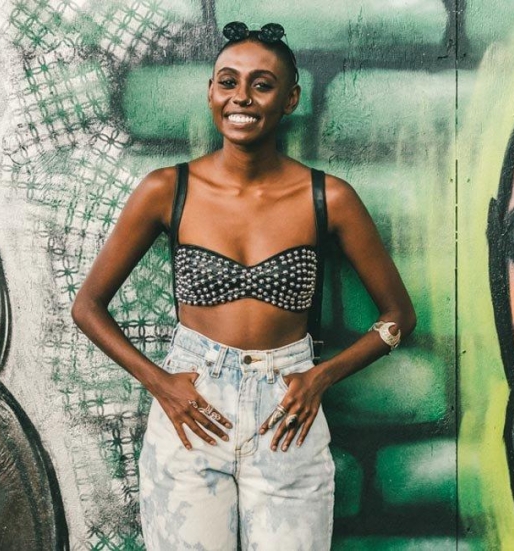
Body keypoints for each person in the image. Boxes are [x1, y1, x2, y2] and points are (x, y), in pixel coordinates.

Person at [71, 21, 416, 550]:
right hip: (192, 414)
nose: (241, 98)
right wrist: (161, 384)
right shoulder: (168, 189)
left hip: (287, 416)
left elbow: (398, 315)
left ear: (289, 98)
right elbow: (88, 307)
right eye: (227, 82)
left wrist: (321, 377)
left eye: (261, 84)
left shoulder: (329, 198)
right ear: (211, 91)